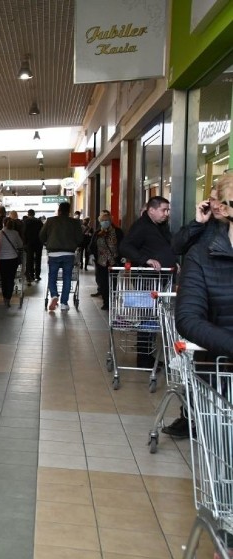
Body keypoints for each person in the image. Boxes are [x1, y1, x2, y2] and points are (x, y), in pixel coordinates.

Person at [166, 174, 233, 439]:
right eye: (214, 200)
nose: (214, 205)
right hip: (221, 362)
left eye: (218, 201)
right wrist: (197, 222)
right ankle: (190, 416)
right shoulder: (205, 246)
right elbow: (178, 245)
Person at [120, 196, 176, 369]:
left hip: (160, 280)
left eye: (168, 210)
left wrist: (174, 262)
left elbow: (163, 248)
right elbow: (125, 246)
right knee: (147, 317)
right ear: (151, 210)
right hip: (147, 280)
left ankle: (148, 355)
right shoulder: (142, 227)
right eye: (163, 210)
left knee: (153, 318)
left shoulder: (159, 227)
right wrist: (146, 260)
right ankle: (144, 359)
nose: (167, 214)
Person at [40, 201, 84, 311]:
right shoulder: (75, 222)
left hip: (53, 253)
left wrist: (48, 243)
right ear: (69, 212)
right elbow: (80, 239)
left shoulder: (50, 221)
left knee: (52, 276)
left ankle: (54, 295)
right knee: (67, 277)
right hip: (69, 254)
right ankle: (64, 303)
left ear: (59, 211)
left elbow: (41, 236)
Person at [87, 211, 124, 310]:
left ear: (110, 221)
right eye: (103, 221)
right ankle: (106, 301)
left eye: (106, 220)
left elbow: (122, 245)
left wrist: (122, 258)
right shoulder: (97, 233)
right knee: (102, 283)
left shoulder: (117, 232)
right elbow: (92, 246)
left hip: (114, 262)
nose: (105, 222)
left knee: (113, 282)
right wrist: (91, 255)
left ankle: (111, 301)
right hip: (101, 263)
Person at [0, 218, 24, 307]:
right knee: (11, 279)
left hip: (1, 259)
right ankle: (8, 298)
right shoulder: (15, 233)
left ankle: (5, 298)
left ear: (3, 224)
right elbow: (20, 245)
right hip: (13, 259)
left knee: (4, 279)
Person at [22, 209, 44, 283]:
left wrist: (24, 243)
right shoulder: (39, 222)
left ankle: (30, 275)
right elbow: (42, 232)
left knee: (29, 260)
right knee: (38, 259)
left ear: (28, 214)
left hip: (29, 244)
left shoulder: (26, 222)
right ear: (34, 214)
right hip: (38, 243)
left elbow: (24, 233)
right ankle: (37, 275)